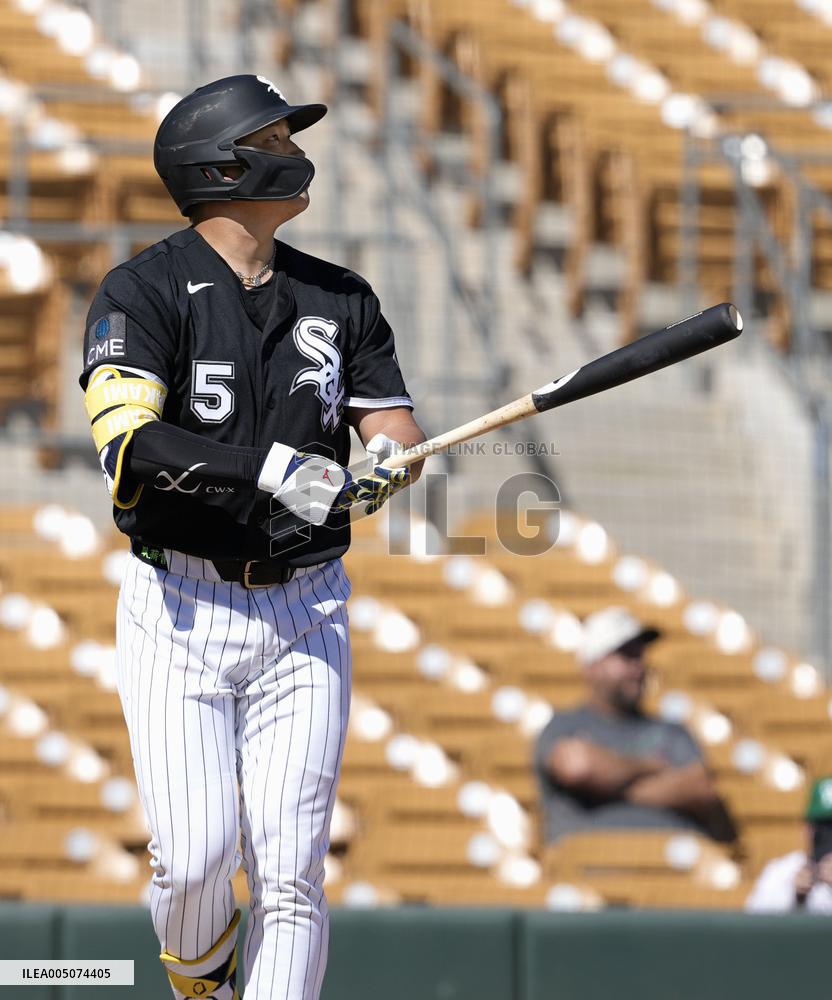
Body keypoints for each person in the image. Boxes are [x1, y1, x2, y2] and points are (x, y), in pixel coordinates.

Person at [79, 74, 425, 1000]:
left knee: (291, 865)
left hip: (306, 605)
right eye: (275, 138)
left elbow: (392, 428)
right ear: (221, 163)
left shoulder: (340, 295)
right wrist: (273, 467)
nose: (295, 150)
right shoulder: (140, 289)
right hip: (180, 605)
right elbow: (130, 439)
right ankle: (199, 979)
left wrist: (394, 461)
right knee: (193, 861)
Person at [534, 606, 736, 844]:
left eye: (639, 655)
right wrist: (655, 767)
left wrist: (608, 785)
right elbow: (578, 767)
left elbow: (701, 789)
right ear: (592, 666)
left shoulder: (672, 731)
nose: (637, 667)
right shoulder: (565, 725)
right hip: (591, 869)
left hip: (671, 870)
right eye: (625, 656)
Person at [745, 776, 832, 914]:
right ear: (807, 828)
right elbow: (754, 924)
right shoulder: (781, 871)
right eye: (824, 827)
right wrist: (794, 897)